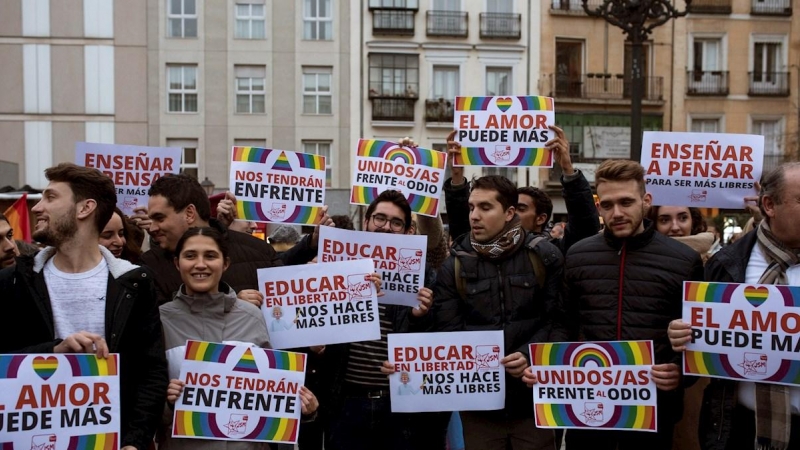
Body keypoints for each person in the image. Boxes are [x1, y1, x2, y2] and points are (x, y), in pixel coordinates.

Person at [0, 163, 167, 450]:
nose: (38, 207)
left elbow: (150, 371)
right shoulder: (14, 281)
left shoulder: (134, 282)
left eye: (50, 198)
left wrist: (134, 443)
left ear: (84, 208)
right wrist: (52, 351)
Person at [541, 159, 704, 450]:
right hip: (588, 407)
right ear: (598, 206)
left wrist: (681, 373)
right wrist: (548, 369)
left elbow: (698, 337)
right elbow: (563, 323)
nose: (616, 213)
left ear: (646, 201)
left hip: (654, 408)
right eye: (607, 205)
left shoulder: (683, 260)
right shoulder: (578, 255)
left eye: (626, 202)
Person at [668, 163, 800, 450]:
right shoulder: (726, 264)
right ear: (769, 205)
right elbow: (698, 358)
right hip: (737, 427)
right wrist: (683, 339)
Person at [432, 175, 565, 450]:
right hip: (479, 408)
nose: (474, 216)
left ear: (509, 213)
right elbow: (447, 331)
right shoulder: (454, 265)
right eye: (471, 208)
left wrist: (530, 354)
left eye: (485, 207)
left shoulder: (544, 256)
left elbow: (559, 320)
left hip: (533, 403)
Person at [160, 227, 318, 450]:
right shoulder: (160, 319)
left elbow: (273, 395)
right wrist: (168, 402)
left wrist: (305, 408)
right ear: (177, 263)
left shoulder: (252, 316)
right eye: (190, 256)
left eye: (211, 256)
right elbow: (143, 406)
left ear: (225, 264)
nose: (200, 264)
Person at [319, 189, 440, 450]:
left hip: (398, 406)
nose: (386, 227)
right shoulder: (337, 265)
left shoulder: (423, 277)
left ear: (408, 232)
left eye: (396, 223)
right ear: (366, 222)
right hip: (346, 402)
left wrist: (419, 317)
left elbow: (434, 348)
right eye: (380, 219)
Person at [139, 174, 329, 305]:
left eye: (160, 218)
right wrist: (230, 306)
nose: (152, 227)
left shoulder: (259, 251)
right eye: (189, 257)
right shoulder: (149, 267)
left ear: (189, 213)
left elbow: (284, 313)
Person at [445, 127, 600, 255]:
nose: (511, 214)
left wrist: (568, 169)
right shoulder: (473, 250)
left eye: (520, 208)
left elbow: (585, 227)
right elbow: (461, 225)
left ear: (540, 218)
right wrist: (457, 176)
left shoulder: (550, 253)